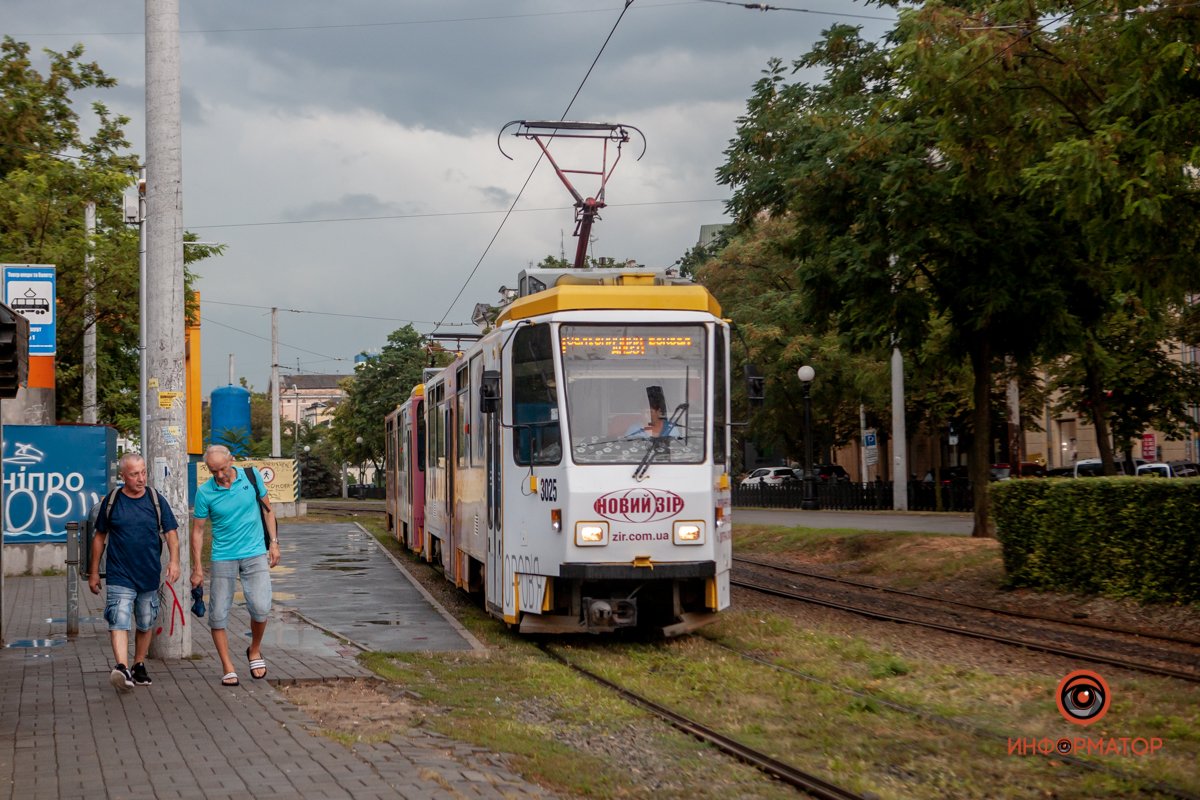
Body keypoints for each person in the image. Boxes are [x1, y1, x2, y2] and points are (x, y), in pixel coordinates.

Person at [88, 452, 181, 693]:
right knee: (118, 617)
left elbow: (171, 533)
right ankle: (121, 666)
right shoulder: (112, 501)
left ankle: (138, 664)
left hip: (149, 572)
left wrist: (175, 561)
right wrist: (94, 571)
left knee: (145, 621)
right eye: (134, 474)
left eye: (143, 473)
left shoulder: (155, 500)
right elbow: (99, 537)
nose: (140, 479)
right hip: (120, 573)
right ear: (123, 477)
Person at [190, 445, 279, 687]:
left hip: (255, 553)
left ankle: (254, 650)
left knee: (261, 608)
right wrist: (197, 567)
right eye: (213, 471)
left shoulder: (251, 477)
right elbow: (197, 531)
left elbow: (268, 510)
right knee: (218, 615)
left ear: (232, 461)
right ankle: (228, 666)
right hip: (223, 557)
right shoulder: (204, 492)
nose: (219, 475)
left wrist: (274, 542)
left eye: (222, 468)